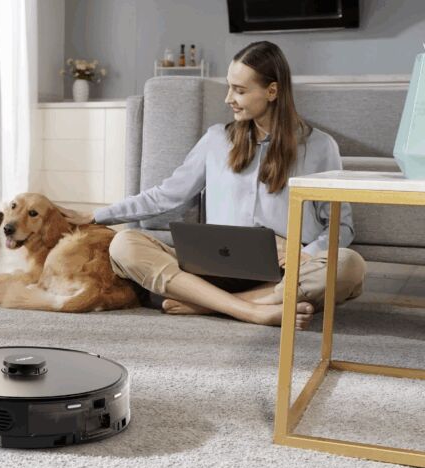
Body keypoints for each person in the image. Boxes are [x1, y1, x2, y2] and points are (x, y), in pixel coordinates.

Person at [76, 41, 366, 330]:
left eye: (239, 90)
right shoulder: (216, 139)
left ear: (272, 91)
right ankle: (253, 310)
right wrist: (96, 215)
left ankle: (207, 303)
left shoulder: (320, 146)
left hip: (283, 270)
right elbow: (167, 195)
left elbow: (341, 226)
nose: (229, 98)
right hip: (215, 264)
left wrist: (305, 253)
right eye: (229, 87)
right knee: (124, 244)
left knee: (349, 266)